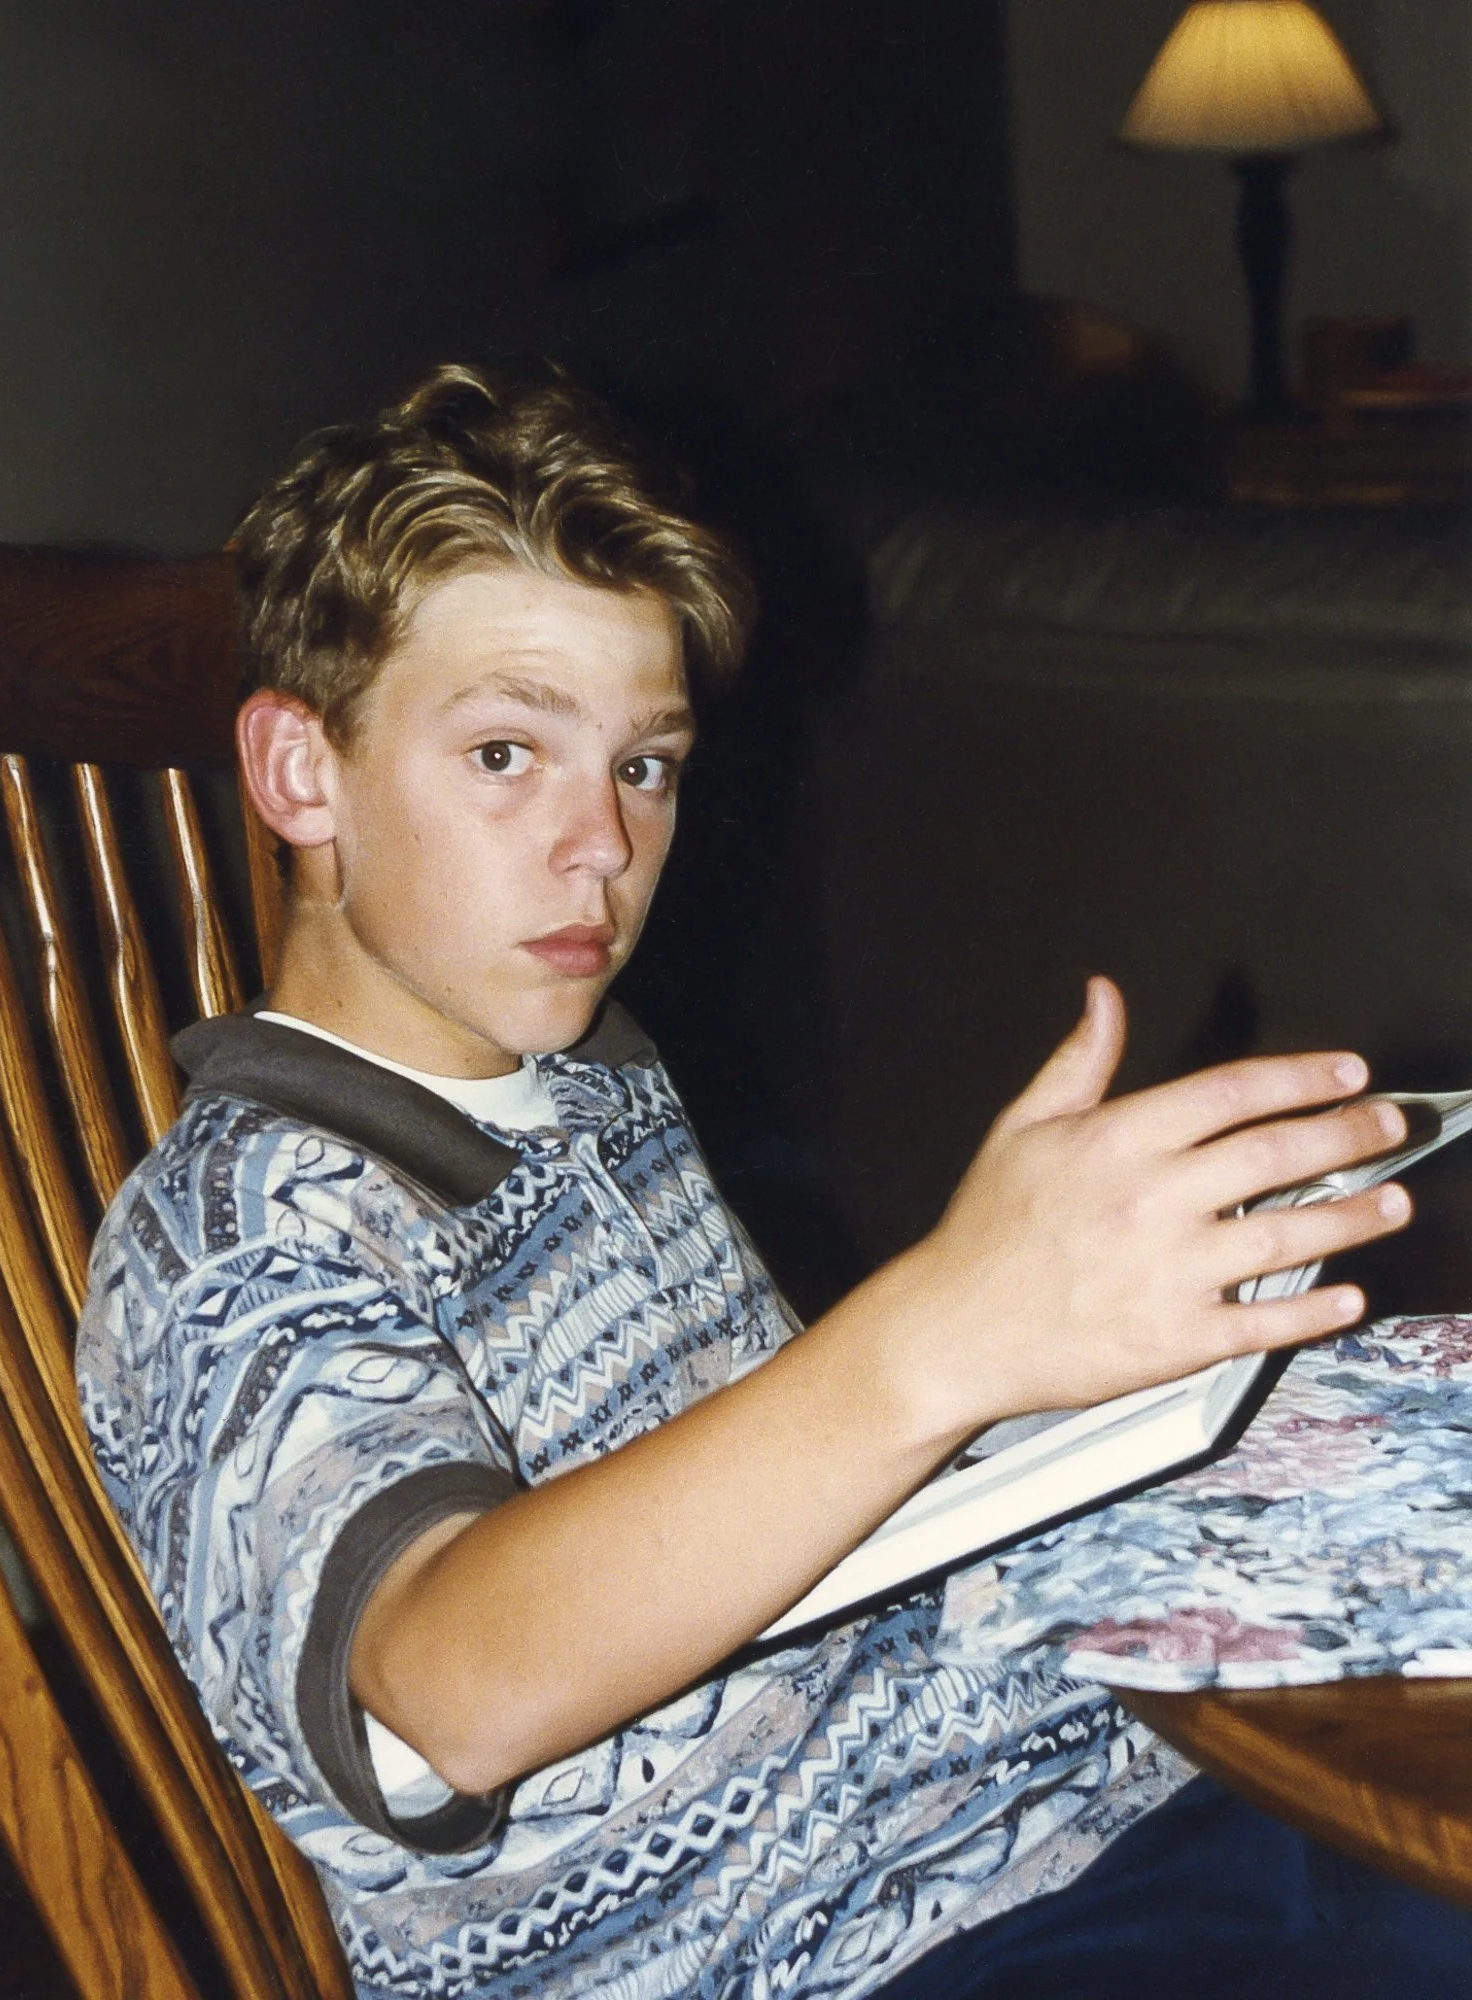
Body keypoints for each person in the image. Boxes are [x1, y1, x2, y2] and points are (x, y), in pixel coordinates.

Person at [75, 364, 1470, 2000]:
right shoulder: (236, 1238)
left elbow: (778, 1500)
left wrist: (1069, 1353)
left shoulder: (590, 1077)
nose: (599, 842)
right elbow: (434, 1687)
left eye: (644, 765)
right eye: (508, 753)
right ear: (303, 775)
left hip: (1049, 1808)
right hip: (807, 1950)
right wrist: (936, 1336)